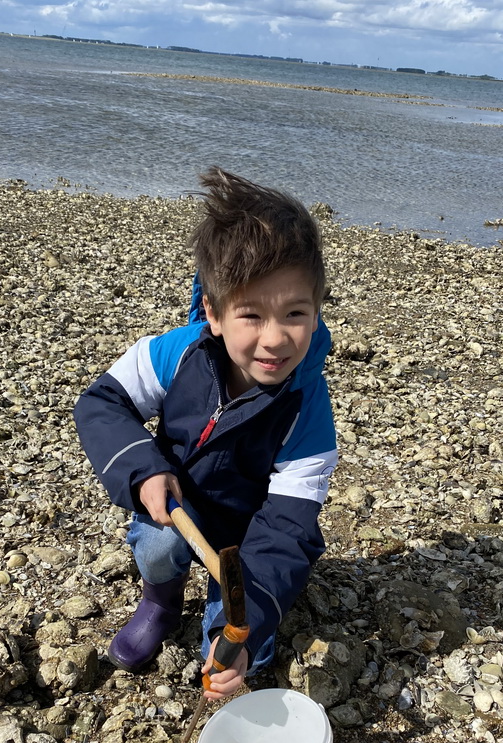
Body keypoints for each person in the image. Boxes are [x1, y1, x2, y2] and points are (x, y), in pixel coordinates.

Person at [74, 166, 336, 701]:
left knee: (242, 653)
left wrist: (237, 633)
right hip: (177, 505)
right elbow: (102, 403)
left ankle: (225, 626)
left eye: (294, 313)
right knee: (155, 542)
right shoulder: (175, 353)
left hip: (248, 539)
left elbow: (286, 530)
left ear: (316, 312)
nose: (274, 338)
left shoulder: (308, 413)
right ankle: (160, 601)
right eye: (251, 315)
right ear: (214, 314)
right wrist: (144, 470)